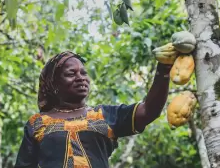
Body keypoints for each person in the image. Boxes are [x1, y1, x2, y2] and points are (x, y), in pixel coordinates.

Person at [15, 51, 171, 168]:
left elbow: (149, 111)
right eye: (71, 73)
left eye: (83, 73)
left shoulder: (103, 115)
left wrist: (163, 70)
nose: (81, 77)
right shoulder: (38, 123)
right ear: (53, 84)